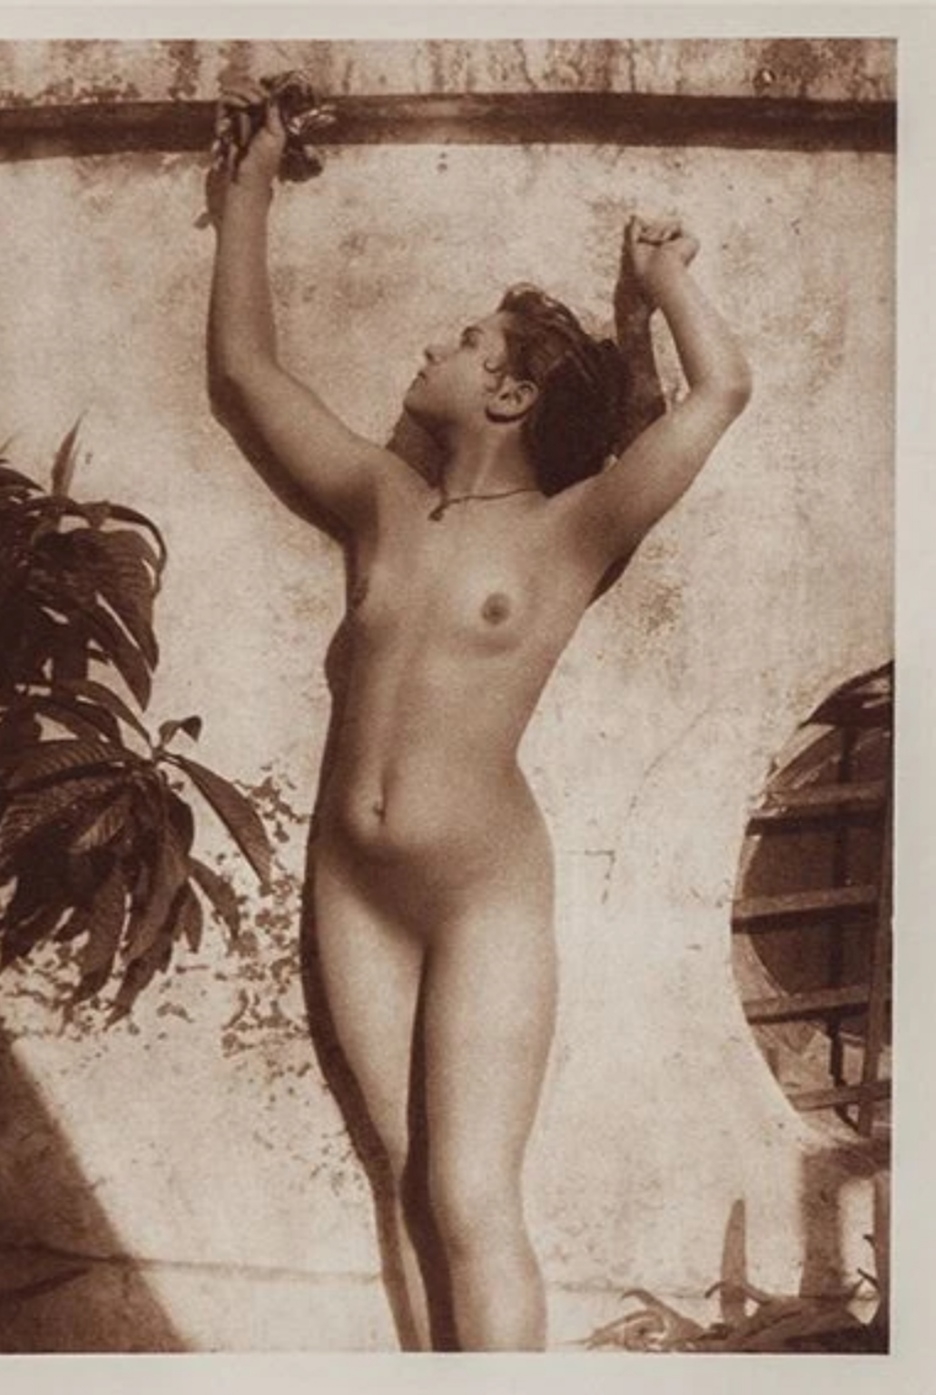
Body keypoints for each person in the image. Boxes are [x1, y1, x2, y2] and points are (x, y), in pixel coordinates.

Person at [206, 92, 752, 1353]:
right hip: (352, 883)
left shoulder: (574, 531)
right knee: (405, 1182)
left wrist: (659, 283)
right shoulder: (378, 500)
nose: (430, 350)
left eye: (462, 342)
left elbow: (721, 389)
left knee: (469, 1194)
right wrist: (251, 182)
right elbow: (246, 374)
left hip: (479, 897)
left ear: (508, 394)